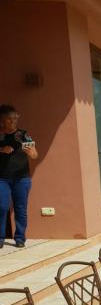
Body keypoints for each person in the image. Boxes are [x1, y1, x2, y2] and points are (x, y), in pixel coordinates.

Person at [0, 105, 38, 248]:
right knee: (2, 207)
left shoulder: (23, 135)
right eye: (10, 118)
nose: (14, 121)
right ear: (2, 121)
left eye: (15, 117)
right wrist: (2, 149)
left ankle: (20, 238)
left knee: (20, 208)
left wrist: (30, 152)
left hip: (21, 178)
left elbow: (35, 155)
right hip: (2, 178)